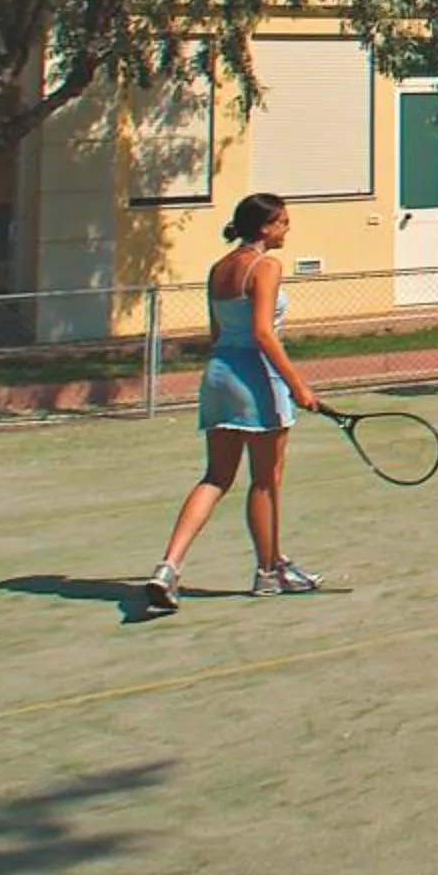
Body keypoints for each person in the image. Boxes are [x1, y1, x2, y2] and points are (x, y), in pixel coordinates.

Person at [141, 194, 324, 613]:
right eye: (282, 222)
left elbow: (217, 332)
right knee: (266, 480)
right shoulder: (267, 267)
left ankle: (168, 567)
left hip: (219, 376)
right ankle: (268, 572)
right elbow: (263, 332)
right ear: (265, 227)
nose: (287, 229)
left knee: (216, 477)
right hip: (257, 378)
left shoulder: (219, 269)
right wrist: (297, 385)